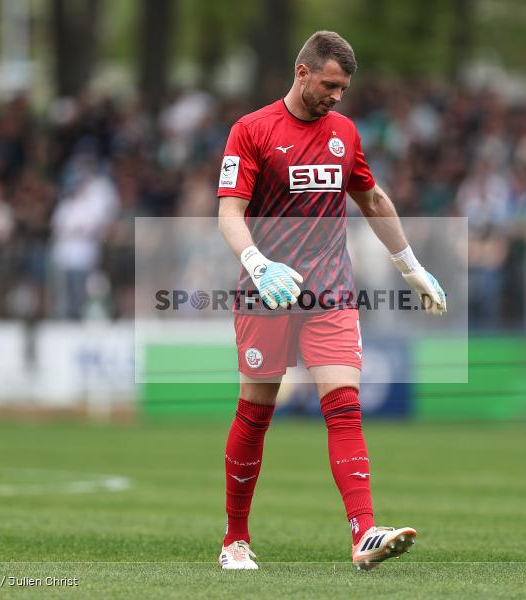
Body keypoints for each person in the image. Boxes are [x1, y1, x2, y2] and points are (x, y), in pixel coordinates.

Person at [216, 31, 446, 571]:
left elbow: (371, 196)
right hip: (265, 293)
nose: (337, 96)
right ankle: (235, 540)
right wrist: (258, 265)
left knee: (343, 407)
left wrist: (410, 265)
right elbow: (229, 211)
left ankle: (364, 533)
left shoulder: (344, 132)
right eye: (329, 85)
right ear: (302, 73)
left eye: (343, 87)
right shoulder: (251, 130)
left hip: (330, 293)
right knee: (256, 412)